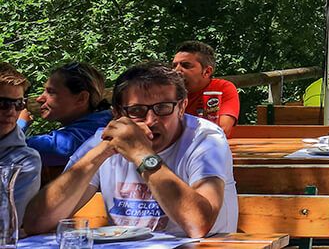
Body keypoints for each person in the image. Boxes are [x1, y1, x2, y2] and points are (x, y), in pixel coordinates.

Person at [25, 63, 238, 236]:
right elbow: (37, 221)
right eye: (136, 110)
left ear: (182, 107)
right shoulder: (102, 140)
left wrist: (142, 154)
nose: (151, 120)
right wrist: (103, 151)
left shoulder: (206, 139)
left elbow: (198, 224)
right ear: (117, 113)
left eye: (163, 108)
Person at [19, 62, 112, 166]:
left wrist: (19, 124)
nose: (39, 98)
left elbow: (11, 150)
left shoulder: (88, 135)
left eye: (51, 92)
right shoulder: (100, 124)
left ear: (81, 98)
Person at [0, 63, 43, 230]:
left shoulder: (25, 160)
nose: (11, 111)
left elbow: (7, 224)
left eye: (18, 104)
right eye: (2, 103)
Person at [172, 42, 240, 138]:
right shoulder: (166, 91)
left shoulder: (222, 88)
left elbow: (221, 130)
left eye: (186, 65)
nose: (177, 70)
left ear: (207, 72)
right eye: (174, 66)